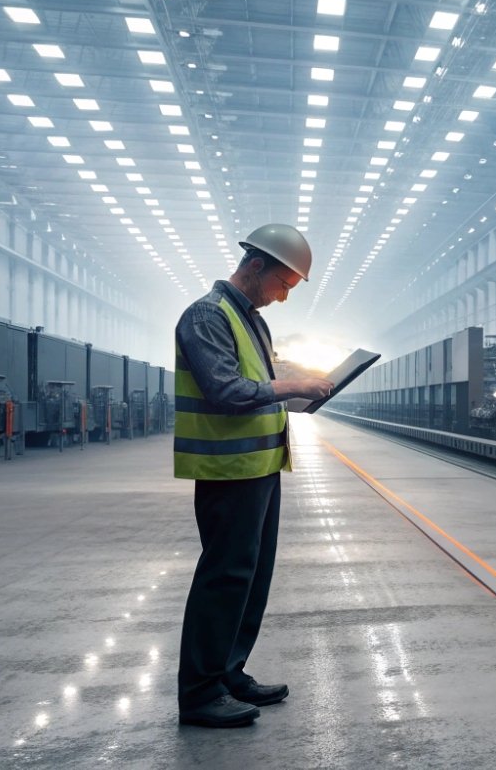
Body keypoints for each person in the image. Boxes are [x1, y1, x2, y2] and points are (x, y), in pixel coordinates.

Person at [173, 224, 333, 729]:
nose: (283, 297)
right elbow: (226, 390)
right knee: (224, 578)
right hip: (227, 469)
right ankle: (200, 693)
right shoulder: (207, 316)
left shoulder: (251, 321)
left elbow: (258, 386)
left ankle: (227, 672)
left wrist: (299, 394)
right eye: (283, 285)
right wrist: (292, 386)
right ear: (256, 266)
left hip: (261, 467)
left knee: (251, 578)